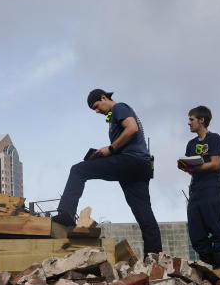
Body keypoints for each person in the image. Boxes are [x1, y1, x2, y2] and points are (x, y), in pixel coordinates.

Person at [53, 89, 162, 255]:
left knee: (78, 170)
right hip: (140, 167)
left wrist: (110, 149)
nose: (97, 111)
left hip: (131, 161)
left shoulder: (119, 108)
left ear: (104, 97)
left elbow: (131, 128)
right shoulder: (114, 119)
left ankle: (65, 215)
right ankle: (154, 257)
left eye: (96, 106)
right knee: (143, 213)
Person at [178, 105, 220, 268]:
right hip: (195, 192)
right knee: (196, 233)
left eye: (191, 119)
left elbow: (215, 164)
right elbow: (192, 170)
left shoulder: (214, 139)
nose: (188, 123)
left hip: (212, 190)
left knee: (216, 228)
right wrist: (186, 167)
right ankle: (208, 267)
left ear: (202, 120)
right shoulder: (190, 144)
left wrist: (193, 167)